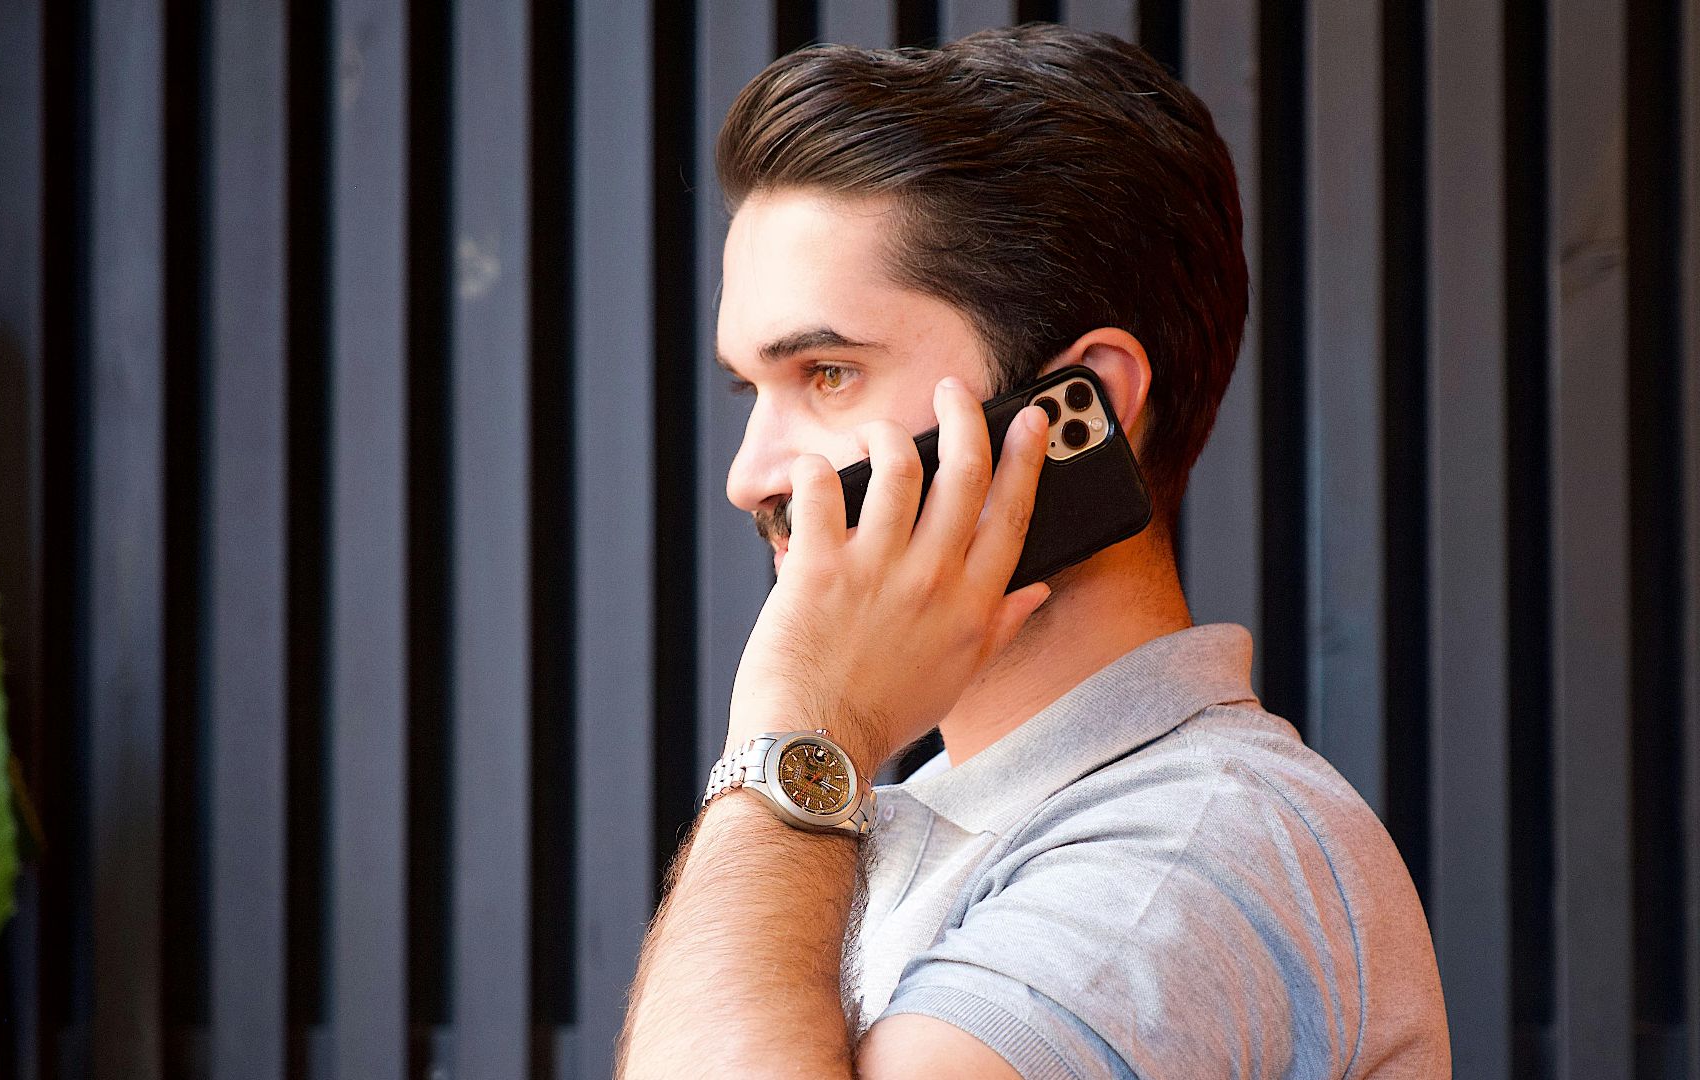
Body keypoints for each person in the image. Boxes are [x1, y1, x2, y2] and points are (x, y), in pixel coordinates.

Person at [617, 23, 1449, 1080]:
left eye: (827, 373)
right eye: (752, 390)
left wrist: (798, 733)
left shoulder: (1176, 859)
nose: (750, 475)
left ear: (1075, 410)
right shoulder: (973, 831)